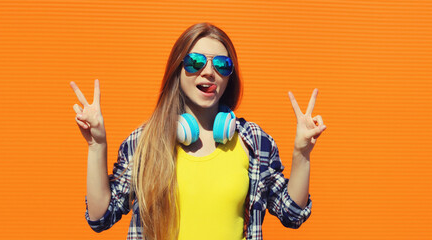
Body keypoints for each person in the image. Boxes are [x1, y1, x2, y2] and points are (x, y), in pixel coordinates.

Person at [69, 22, 326, 240]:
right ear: (177, 70)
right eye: (195, 62)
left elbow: (292, 215)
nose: (209, 72)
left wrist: (302, 154)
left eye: (222, 65)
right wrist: (97, 146)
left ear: (230, 76)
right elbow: (100, 217)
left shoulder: (253, 141)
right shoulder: (145, 142)